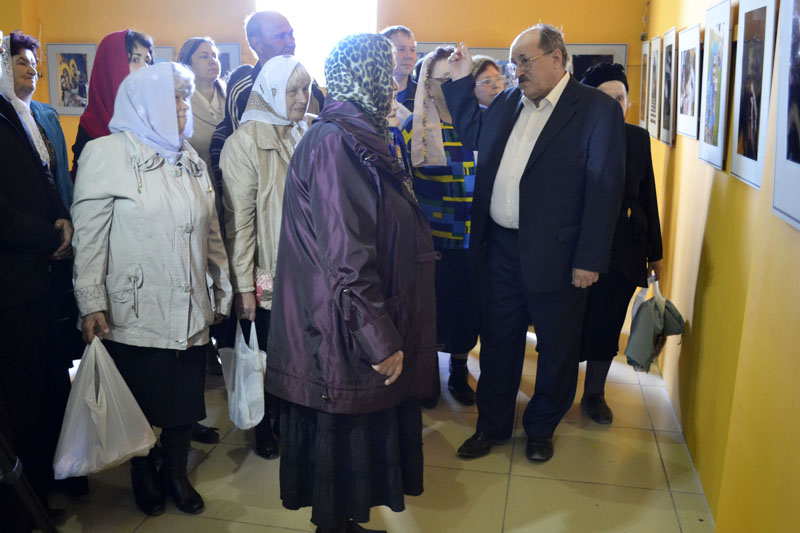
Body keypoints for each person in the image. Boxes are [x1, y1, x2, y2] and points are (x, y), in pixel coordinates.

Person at [266, 33, 437, 533]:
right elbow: (347, 256)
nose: (394, 82)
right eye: (385, 71)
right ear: (368, 78)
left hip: (347, 319)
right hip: (340, 328)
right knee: (344, 434)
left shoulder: (355, 134)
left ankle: (341, 523)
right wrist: (379, 338)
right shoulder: (337, 143)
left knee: (352, 441)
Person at [443, 24, 625, 462]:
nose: (517, 71)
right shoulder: (508, 102)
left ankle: (541, 429)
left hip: (561, 256)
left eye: (525, 61)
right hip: (500, 250)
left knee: (557, 349)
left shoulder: (596, 109)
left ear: (557, 58)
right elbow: (473, 136)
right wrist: (461, 81)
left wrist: (589, 258)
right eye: (514, 63)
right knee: (499, 344)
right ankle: (491, 427)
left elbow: (605, 188)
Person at [71, 62, 232, 518]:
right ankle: (143, 472)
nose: (184, 106)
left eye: (185, 96)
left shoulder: (189, 157)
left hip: (190, 303)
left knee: (184, 401)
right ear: (146, 103)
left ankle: (176, 473)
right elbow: (90, 238)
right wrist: (91, 302)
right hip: (136, 306)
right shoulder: (107, 153)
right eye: (175, 97)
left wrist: (221, 286)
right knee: (139, 399)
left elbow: (211, 231)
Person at [5, 29, 88, 498]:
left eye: (35, 66)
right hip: (18, 270)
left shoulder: (36, 115)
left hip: (50, 261)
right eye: (20, 63)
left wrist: (65, 222)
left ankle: (64, 467)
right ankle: (37, 484)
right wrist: (48, 235)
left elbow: (52, 178)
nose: (31, 72)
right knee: (27, 382)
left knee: (54, 368)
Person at [219, 55, 314, 460]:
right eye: (292, 90)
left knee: (300, 351)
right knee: (264, 353)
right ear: (272, 92)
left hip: (309, 268)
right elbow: (239, 223)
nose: (302, 98)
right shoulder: (244, 143)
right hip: (267, 270)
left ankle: (291, 418)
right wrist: (243, 286)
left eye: (306, 89)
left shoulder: (307, 131)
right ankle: (262, 426)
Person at [578, 63, 663, 423]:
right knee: (572, 322)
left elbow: (648, 196)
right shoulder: (573, 134)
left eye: (621, 98)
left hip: (625, 249)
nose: (615, 105)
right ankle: (557, 389)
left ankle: (594, 394)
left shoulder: (637, 138)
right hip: (579, 247)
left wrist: (656, 252)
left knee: (608, 323)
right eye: (607, 98)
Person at [401, 47, 479, 407]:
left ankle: (459, 372)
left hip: (474, 240)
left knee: (467, 312)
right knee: (430, 313)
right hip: (430, 243)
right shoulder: (411, 130)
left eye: (456, 78)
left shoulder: (478, 123)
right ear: (427, 85)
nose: (450, 86)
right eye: (442, 80)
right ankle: (427, 375)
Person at [71, 29, 154, 177]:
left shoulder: (152, 119)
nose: (145, 68)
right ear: (112, 67)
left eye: (147, 61)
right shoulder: (92, 127)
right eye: (135, 60)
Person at [178, 36, 226, 174]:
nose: (212, 61)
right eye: (204, 57)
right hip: (198, 181)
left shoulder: (230, 99)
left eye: (214, 56)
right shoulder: (180, 105)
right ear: (188, 64)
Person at [380, 25, 417, 112]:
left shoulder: (422, 96)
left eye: (412, 50)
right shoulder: (371, 95)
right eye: (401, 49)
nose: (409, 56)